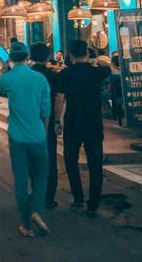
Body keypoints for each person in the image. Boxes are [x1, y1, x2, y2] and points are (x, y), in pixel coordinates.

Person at [0, 41, 52, 237]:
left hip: (17, 137)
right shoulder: (39, 78)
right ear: (27, 57)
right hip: (38, 134)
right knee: (41, 176)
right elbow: (46, 109)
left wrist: (4, 67)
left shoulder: (8, 78)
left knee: (21, 180)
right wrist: (43, 131)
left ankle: (26, 225)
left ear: (11, 58)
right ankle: (37, 209)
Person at [54, 39, 111, 216]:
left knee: (70, 159)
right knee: (95, 163)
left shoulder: (65, 74)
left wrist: (57, 121)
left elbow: (59, 100)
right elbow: (106, 64)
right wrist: (94, 60)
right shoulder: (98, 72)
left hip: (73, 122)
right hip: (94, 123)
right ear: (87, 53)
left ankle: (78, 197)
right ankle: (93, 204)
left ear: (70, 55)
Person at [29, 42, 59, 209]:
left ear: (31, 56)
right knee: (50, 159)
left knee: (33, 159)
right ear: (47, 56)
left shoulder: (29, 75)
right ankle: (49, 197)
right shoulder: (53, 75)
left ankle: (36, 193)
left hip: (31, 121)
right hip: (48, 120)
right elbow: (58, 99)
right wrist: (57, 120)